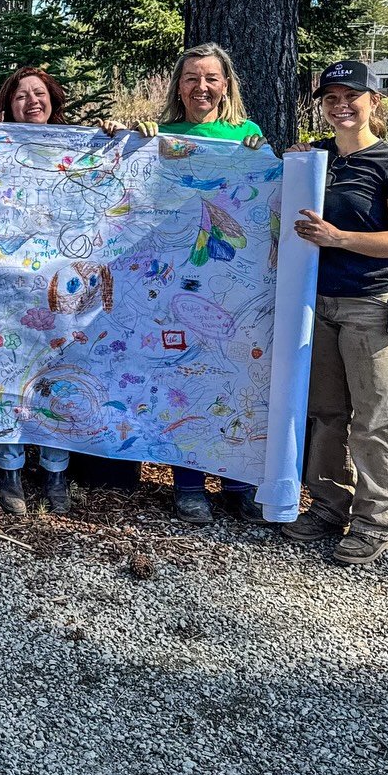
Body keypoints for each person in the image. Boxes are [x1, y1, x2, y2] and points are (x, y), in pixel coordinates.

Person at [282, 60, 388, 566]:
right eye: (331, 97)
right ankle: (326, 506)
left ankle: (374, 521)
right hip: (314, 304)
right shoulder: (315, 159)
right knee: (326, 414)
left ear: (374, 102)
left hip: (372, 305)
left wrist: (339, 239)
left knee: (375, 420)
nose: (342, 105)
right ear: (321, 105)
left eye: (352, 96)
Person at [0, 66, 123, 516]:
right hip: (14, 294)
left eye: (40, 93)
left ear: (54, 100)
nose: (32, 102)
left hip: (68, 294)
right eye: (21, 96)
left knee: (64, 376)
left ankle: (56, 470)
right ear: (8, 103)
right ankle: (9, 469)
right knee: (13, 375)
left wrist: (116, 136)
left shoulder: (80, 148)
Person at [137, 43, 266, 525]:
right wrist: (131, 139)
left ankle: (237, 480)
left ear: (226, 84)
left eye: (210, 78)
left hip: (232, 279)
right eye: (191, 79)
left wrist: (266, 155)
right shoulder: (161, 134)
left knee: (236, 371)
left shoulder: (246, 135)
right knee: (181, 376)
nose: (201, 88)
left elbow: (258, 203)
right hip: (175, 277)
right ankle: (188, 484)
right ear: (179, 86)